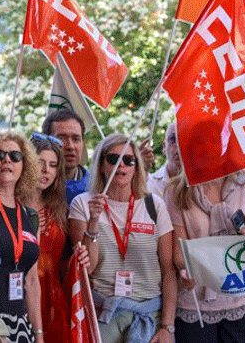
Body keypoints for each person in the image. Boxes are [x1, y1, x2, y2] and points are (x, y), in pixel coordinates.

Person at [68, 134, 175, 343]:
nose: (121, 165)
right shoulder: (83, 204)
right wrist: (93, 222)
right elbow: (86, 268)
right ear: (100, 165)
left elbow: (169, 270)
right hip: (103, 318)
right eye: (113, 159)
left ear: (136, 167)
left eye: (129, 160)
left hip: (149, 318)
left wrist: (167, 326)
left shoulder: (155, 205)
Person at [166, 171, 245, 342]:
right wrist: (185, 269)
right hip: (196, 308)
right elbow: (180, 254)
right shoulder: (177, 190)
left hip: (244, 302)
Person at [0, 131, 42, 343]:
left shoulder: (30, 216)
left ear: (25, 166)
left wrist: (38, 333)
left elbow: (31, 282)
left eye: (15, 156)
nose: (7, 160)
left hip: (21, 325)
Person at [26, 133, 71, 343]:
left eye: (53, 165)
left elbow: (65, 263)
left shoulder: (60, 209)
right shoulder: (13, 206)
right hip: (22, 295)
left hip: (54, 299)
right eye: (40, 163)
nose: (46, 170)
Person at [42, 110, 89, 203]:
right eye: (61, 139)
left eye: (76, 139)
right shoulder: (31, 189)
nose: (70, 146)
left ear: (83, 142)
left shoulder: (96, 189)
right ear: (45, 142)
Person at [147, 124, 180, 200]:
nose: (179, 145)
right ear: (164, 146)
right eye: (174, 140)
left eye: (185, 139)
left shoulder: (203, 185)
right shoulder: (148, 184)